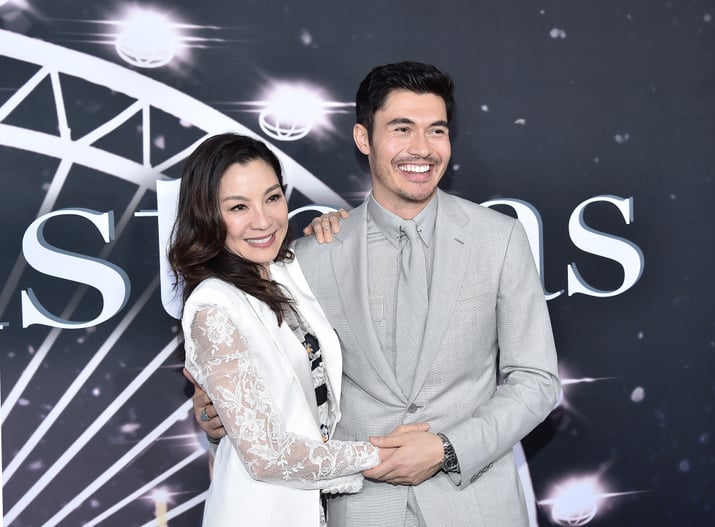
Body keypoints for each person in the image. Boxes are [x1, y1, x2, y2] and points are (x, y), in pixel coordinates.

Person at [193, 62, 561, 526]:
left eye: (437, 130)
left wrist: (448, 449)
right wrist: (218, 414)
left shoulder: (499, 238)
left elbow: (536, 380)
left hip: (477, 506)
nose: (421, 150)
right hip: (359, 508)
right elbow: (279, 386)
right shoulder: (305, 258)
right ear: (364, 139)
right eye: (401, 129)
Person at [169, 133, 425, 527]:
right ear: (206, 216)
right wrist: (384, 455)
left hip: (317, 509)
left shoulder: (285, 271)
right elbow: (266, 455)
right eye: (238, 207)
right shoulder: (212, 307)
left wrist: (338, 228)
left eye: (272, 198)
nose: (263, 220)